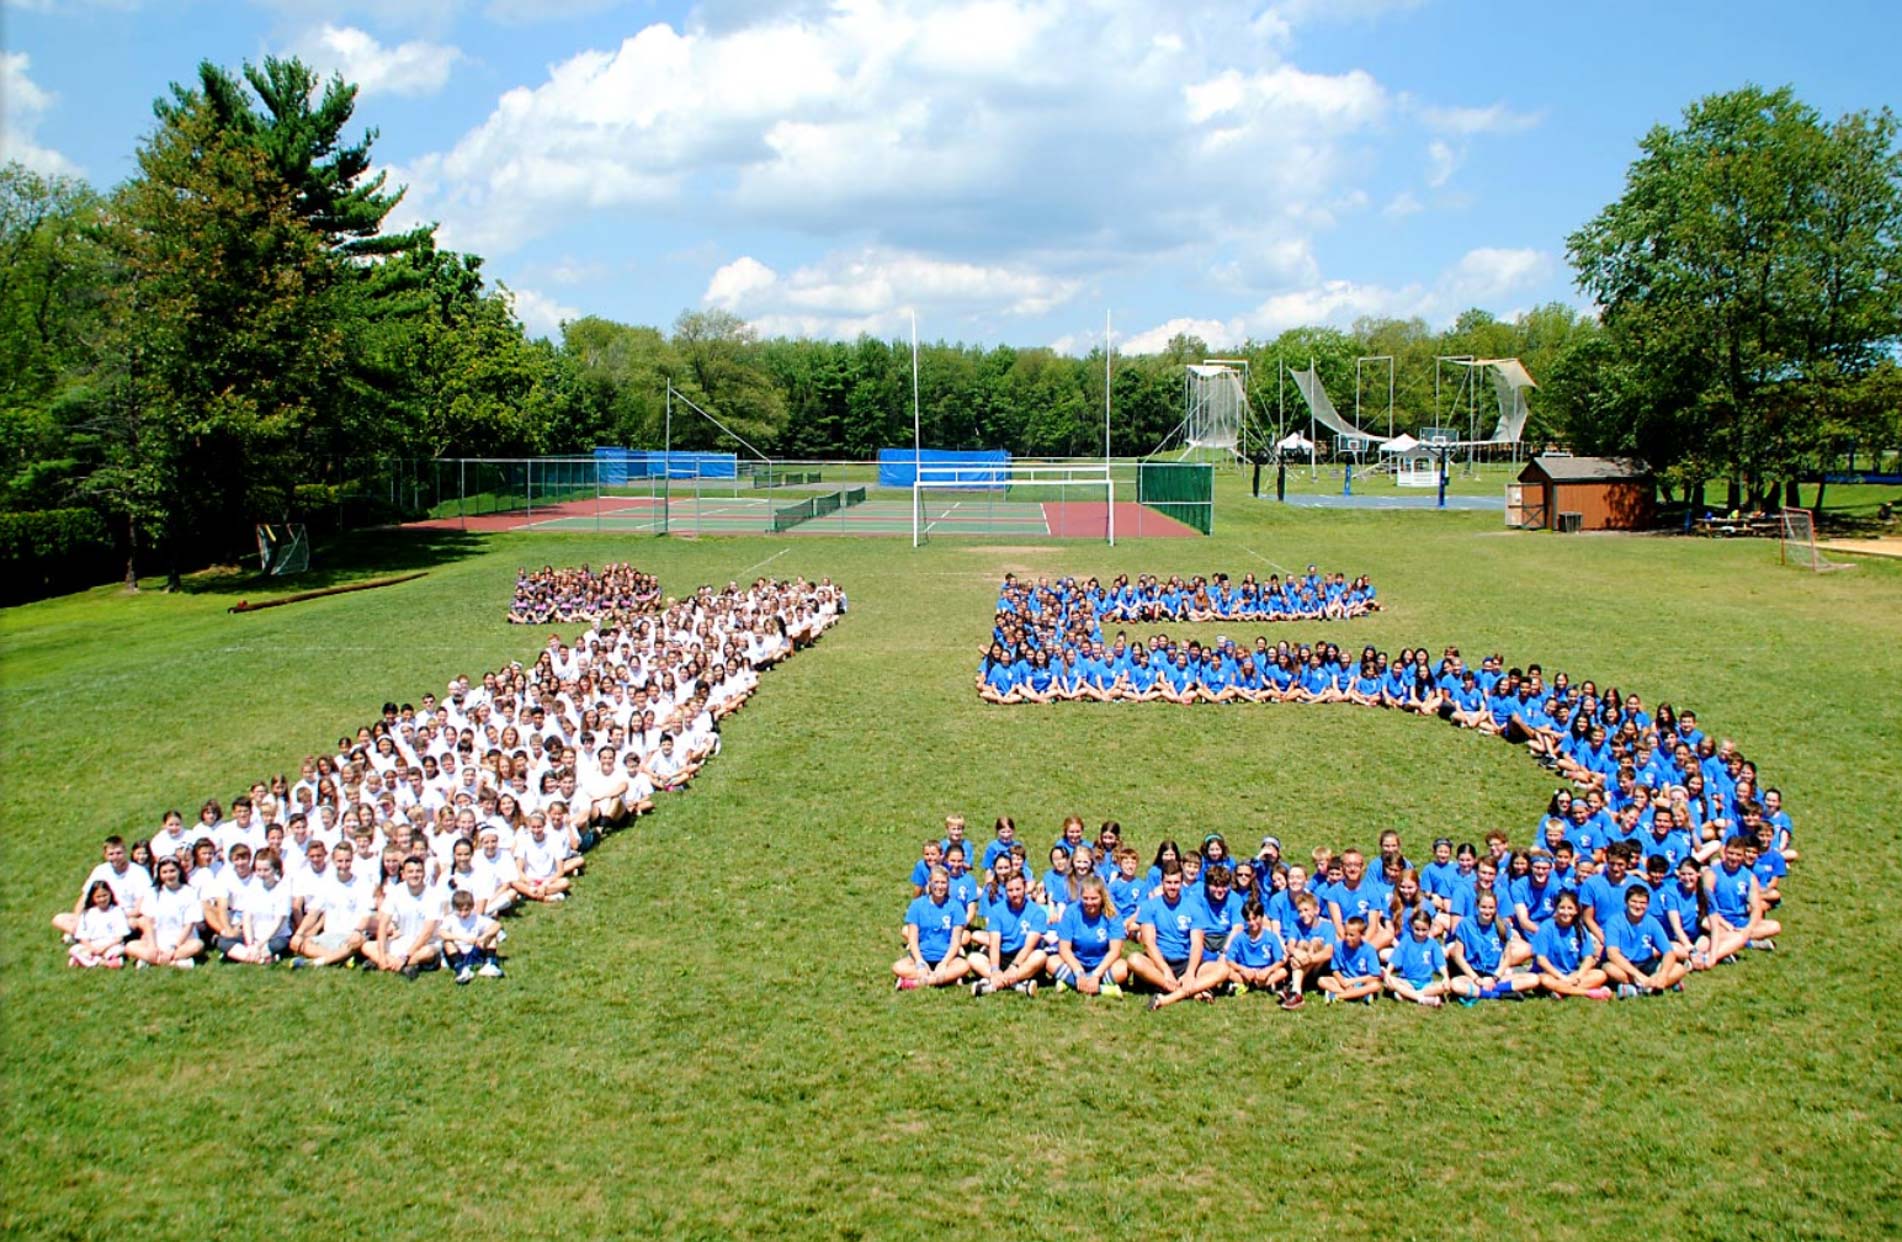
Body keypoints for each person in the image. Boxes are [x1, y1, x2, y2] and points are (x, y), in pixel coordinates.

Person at [289, 840, 374, 968]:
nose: (344, 865)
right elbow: (313, 913)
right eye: (340, 861)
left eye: (347, 861)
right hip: (329, 935)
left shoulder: (362, 883)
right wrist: (299, 933)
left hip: (351, 935)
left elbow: (366, 915)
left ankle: (316, 962)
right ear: (333, 861)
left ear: (352, 860)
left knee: (359, 941)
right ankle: (339, 958)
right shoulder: (327, 883)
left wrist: (357, 931)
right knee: (298, 944)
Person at [53, 836, 155, 941]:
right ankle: (95, 936)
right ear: (105, 855)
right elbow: (85, 897)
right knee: (59, 919)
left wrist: (117, 915)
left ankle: (92, 938)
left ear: (125, 851)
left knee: (134, 923)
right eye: (111, 854)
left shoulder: (138, 872)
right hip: (99, 914)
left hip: (125, 916)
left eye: (118, 853)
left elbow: (139, 908)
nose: (115, 857)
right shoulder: (100, 871)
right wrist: (80, 918)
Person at [1600, 882, 1688, 996]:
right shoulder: (1614, 921)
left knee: (1679, 968)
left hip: (1646, 963)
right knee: (1609, 969)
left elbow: (1668, 952)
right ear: (1626, 902)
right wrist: (1638, 976)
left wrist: (1663, 974)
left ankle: (1642, 987)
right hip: (1624, 965)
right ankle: (1659, 985)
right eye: (1634, 902)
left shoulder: (1651, 921)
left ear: (1647, 905)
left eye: (1642, 903)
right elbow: (1612, 954)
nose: (1638, 906)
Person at [364, 856, 444, 979]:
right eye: (410, 872)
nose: (415, 875)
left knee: (428, 953)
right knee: (367, 946)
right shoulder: (396, 892)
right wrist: (381, 955)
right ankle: (398, 965)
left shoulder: (433, 895)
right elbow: (383, 924)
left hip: (425, 943)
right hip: (402, 940)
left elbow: (427, 933)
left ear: (424, 873)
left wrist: (405, 956)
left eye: (418, 871)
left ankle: (396, 963)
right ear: (403, 874)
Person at [970, 872, 1047, 997]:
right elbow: (994, 944)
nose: (1014, 894)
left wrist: (1014, 966)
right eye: (1010, 890)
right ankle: (1016, 984)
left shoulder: (1037, 912)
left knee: (1040, 956)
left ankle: (991, 985)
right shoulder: (996, 911)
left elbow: (1029, 946)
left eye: (1018, 889)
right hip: (1002, 955)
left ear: (1025, 888)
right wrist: (995, 969)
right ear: (1005, 890)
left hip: (1024, 957)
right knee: (973, 958)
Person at [895, 868, 971, 990]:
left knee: (964, 966)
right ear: (930, 882)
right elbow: (913, 939)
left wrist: (944, 963)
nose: (940, 887)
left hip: (946, 957)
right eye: (936, 882)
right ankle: (945, 979)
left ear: (948, 885)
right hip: (922, 955)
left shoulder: (955, 907)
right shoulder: (917, 905)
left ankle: (915, 983)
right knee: (898, 967)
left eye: (943, 883)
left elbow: (956, 941)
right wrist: (920, 962)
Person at [1051, 875, 1127, 996]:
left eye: (1094, 898)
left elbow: (1115, 951)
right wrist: (1078, 972)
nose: (1089, 902)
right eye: (1085, 898)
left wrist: (1096, 974)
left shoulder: (1112, 914)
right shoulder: (1071, 911)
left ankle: (1071, 983)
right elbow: (1064, 948)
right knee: (1051, 962)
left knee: (1123, 968)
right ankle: (1102, 989)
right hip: (1076, 961)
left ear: (1102, 897)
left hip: (1102, 963)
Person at [125, 857, 204, 969]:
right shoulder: (152, 892)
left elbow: (189, 925)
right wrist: (152, 946)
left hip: (182, 942)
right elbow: (148, 921)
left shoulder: (189, 892)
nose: (169, 875)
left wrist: (173, 948)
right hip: (158, 941)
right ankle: (175, 962)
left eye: (172, 871)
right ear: (159, 874)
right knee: (130, 946)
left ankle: (153, 961)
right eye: (164, 872)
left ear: (179, 871)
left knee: (197, 945)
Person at [1531, 893, 1611, 1000]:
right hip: (1550, 974)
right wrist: (1561, 977)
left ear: (1576, 910)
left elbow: (1588, 958)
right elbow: (1541, 959)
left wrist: (1579, 976)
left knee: (1600, 974)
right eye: (1562, 908)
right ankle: (1588, 992)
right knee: (1544, 980)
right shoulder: (1546, 927)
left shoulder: (1579, 928)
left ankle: (1562, 992)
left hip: (1571, 974)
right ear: (1556, 909)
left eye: (1570, 908)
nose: (1566, 912)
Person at [1384, 909, 1451, 1007]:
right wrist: (1388, 973)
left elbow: (1440, 963)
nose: (1420, 933)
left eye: (1424, 930)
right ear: (1412, 926)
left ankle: (1411, 995)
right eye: (1417, 929)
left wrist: (1446, 977)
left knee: (1443, 986)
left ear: (1430, 928)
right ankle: (1422, 998)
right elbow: (1396, 957)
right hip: (1407, 981)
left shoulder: (1432, 944)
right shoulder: (1406, 940)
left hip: (1426, 983)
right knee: (1391, 982)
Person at [440, 888, 504, 984]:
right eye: (460, 910)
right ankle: (461, 969)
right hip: (459, 951)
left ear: (472, 907)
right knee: (447, 942)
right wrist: (462, 938)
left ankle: (490, 964)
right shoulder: (450, 919)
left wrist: (483, 937)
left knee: (492, 936)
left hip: (474, 949)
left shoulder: (476, 918)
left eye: (466, 910)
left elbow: (497, 925)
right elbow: (442, 933)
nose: (463, 914)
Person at [1319, 915, 1383, 1003]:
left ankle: (1338, 995)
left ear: (1361, 935)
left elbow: (1374, 975)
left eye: (1352, 935)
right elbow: (1335, 970)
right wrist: (1343, 982)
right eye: (1346, 934)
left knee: (1376, 985)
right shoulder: (1338, 946)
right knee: (1322, 981)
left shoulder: (1369, 949)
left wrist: (1353, 981)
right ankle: (1360, 995)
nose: (1348, 938)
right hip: (1344, 980)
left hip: (1361, 981)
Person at [68, 882, 130, 969]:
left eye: (104, 895)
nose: (102, 899)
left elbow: (119, 938)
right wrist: (91, 948)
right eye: (98, 897)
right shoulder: (87, 913)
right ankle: (104, 963)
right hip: (92, 944)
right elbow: (82, 937)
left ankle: (85, 961)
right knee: (74, 949)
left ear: (110, 895)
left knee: (118, 950)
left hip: (110, 944)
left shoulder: (117, 911)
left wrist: (103, 948)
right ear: (93, 898)